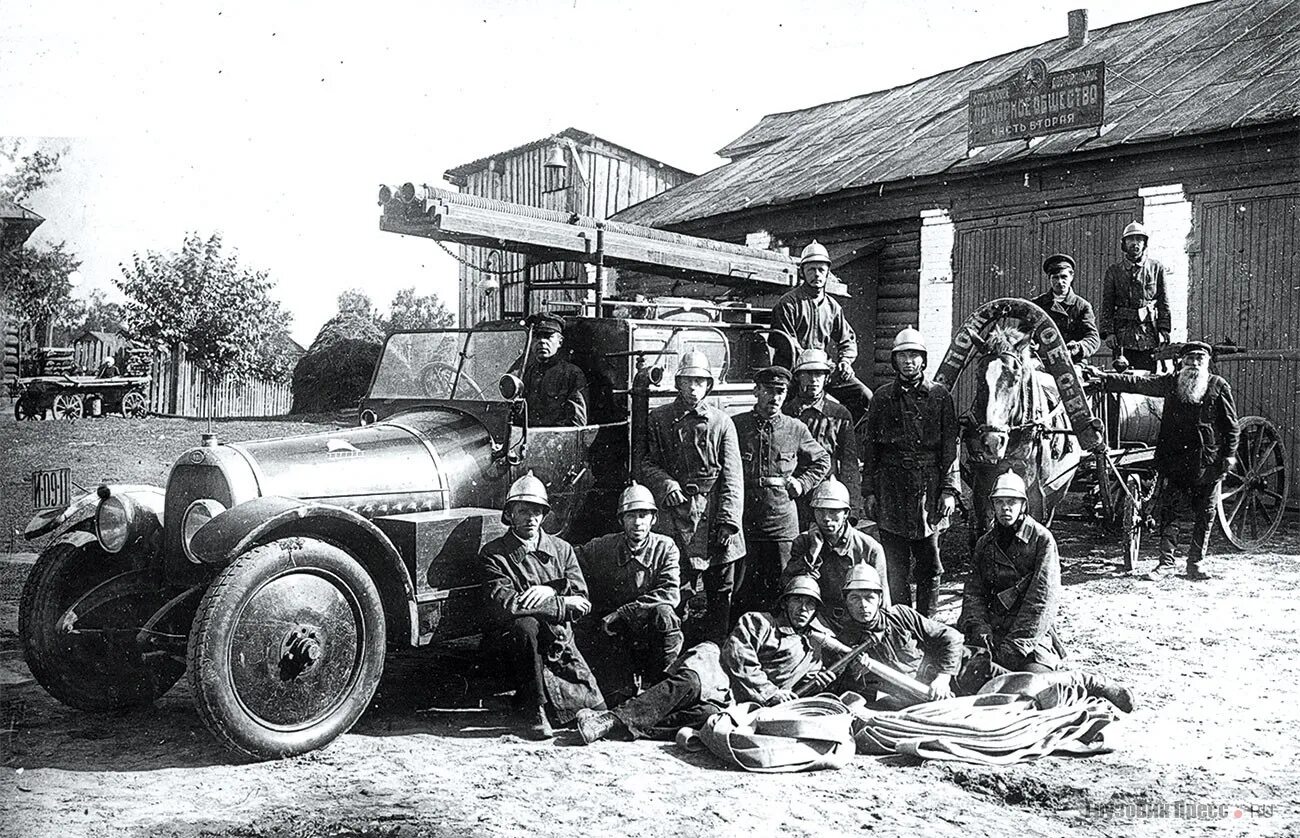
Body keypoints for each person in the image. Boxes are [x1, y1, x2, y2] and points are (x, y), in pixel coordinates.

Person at [956, 474, 1135, 710]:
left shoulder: (1042, 540)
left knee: (1037, 691)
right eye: (999, 502)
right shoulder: (985, 544)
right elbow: (973, 593)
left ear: (1023, 506)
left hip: (1030, 638)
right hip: (992, 632)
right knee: (963, 682)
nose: (1005, 508)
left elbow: (1041, 601)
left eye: (1012, 502)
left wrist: (1016, 644)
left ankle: (1089, 681)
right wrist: (980, 629)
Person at [1092, 341, 1240, 580]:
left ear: (1207, 363)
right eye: (1189, 360)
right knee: (1170, 512)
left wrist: (1230, 456)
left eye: (1199, 360)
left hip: (1207, 461)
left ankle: (1196, 563)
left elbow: (1232, 427)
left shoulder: (1218, 386)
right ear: (1182, 362)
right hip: (1175, 460)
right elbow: (1139, 383)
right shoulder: (1171, 382)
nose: (1194, 365)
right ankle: (1166, 563)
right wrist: (1105, 378)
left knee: (1206, 514)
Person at [481, 472, 604, 739]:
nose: (530, 518)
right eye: (523, 510)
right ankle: (532, 709)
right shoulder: (494, 553)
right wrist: (559, 600)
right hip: (517, 647)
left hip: (560, 643)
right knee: (525, 625)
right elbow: (506, 604)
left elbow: (582, 601)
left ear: (545, 515)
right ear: (509, 514)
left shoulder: (562, 549)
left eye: (537, 511)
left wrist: (549, 589)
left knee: (595, 708)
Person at [638, 350, 745, 644]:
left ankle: (715, 651)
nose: (694, 387)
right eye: (688, 380)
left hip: (713, 514)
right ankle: (675, 649)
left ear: (708, 385)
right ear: (678, 383)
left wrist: (728, 521)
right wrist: (666, 484)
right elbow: (645, 462)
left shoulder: (722, 422)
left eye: (700, 381)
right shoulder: (658, 419)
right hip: (675, 513)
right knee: (675, 585)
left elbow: (733, 478)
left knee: (720, 590)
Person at [860, 327, 960, 617]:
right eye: (903, 355)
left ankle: (926, 623)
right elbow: (871, 450)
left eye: (915, 355)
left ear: (923, 360)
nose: (909, 361)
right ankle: (903, 625)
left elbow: (949, 448)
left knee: (929, 564)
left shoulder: (940, 397)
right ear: (895, 360)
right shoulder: (881, 397)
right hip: (891, 489)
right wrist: (869, 492)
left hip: (927, 491)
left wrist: (949, 490)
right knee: (896, 564)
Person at [732, 366, 831, 621]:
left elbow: (822, 460)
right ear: (756, 391)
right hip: (746, 519)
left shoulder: (795, 428)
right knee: (743, 587)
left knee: (783, 582)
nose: (774, 398)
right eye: (768, 391)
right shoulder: (737, 425)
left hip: (781, 521)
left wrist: (802, 483)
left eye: (781, 392)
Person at [576, 483, 683, 700]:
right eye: (630, 516)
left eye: (643, 516)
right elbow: (570, 557)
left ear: (653, 519)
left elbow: (670, 593)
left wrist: (624, 611)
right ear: (620, 520)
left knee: (665, 615)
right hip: (617, 635)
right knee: (616, 700)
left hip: (652, 633)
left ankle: (661, 685)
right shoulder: (603, 547)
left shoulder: (666, 547)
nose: (637, 523)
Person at [833, 564, 963, 708]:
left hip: (938, 677)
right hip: (903, 698)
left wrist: (943, 678)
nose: (863, 605)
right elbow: (847, 691)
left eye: (869, 597)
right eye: (855, 598)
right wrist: (856, 675)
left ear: (880, 599)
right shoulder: (845, 640)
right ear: (845, 601)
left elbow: (951, 636)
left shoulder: (901, 615)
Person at [770, 241, 872, 419]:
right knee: (785, 409)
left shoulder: (832, 307)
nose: (816, 274)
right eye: (811, 269)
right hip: (792, 370)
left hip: (823, 369)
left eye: (821, 269)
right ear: (802, 272)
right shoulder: (788, 303)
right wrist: (811, 365)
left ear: (827, 273)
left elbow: (847, 339)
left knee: (864, 397)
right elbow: (787, 343)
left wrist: (845, 361)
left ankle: (844, 438)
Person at [784, 478, 890, 637]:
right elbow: (790, 587)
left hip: (857, 624)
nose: (826, 518)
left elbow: (883, 603)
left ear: (846, 513)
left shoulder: (870, 548)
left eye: (833, 512)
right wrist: (813, 553)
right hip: (818, 623)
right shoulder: (803, 542)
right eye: (820, 511)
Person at [721, 574, 842, 706]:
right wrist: (770, 692)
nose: (803, 608)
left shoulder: (812, 650)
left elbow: (796, 695)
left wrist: (816, 685)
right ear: (784, 603)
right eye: (797, 599)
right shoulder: (759, 623)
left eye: (810, 603)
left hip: (763, 709)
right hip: (725, 691)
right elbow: (739, 657)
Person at [783, 348, 864, 529]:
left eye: (819, 374)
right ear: (798, 377)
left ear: (827, 378)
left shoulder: (839, 414)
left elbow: (849, 463)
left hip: (826, 493)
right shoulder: (786, 413)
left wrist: (853, 509)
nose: (813, 380)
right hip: (793, 494)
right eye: (807, 374)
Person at [1100, 221, 1171, 372]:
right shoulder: (1113, 271)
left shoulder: (1156, 268)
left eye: (1139, 239)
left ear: (1145, 243)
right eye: (1130, 239)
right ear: (1124, 244)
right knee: (1123, 380)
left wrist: (1164, 329)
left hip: (1149, 334)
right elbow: (1107, 304)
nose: (1135, 243)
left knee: (1149, 381)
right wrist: (1109, 332)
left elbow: (1163, 300)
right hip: (1123, 336)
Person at [1031, 254, 1100, 363]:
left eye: (1064, 277)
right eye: (1055, 277)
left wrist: (1079, 347)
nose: (1059, 282)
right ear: (1049, 279)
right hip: (1041, 361)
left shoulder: (1082, 306)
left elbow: (1093, 338)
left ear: (1071, 276)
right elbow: (1023, 332)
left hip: (1072, 361)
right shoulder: (1037, 305)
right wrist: (1029, 343)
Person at [521, 313, 588, 426]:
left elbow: (577, 422)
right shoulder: (528, 373)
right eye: (537, 336)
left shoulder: (572, 374)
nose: (541, 341)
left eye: (548, 336)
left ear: (560, 342)